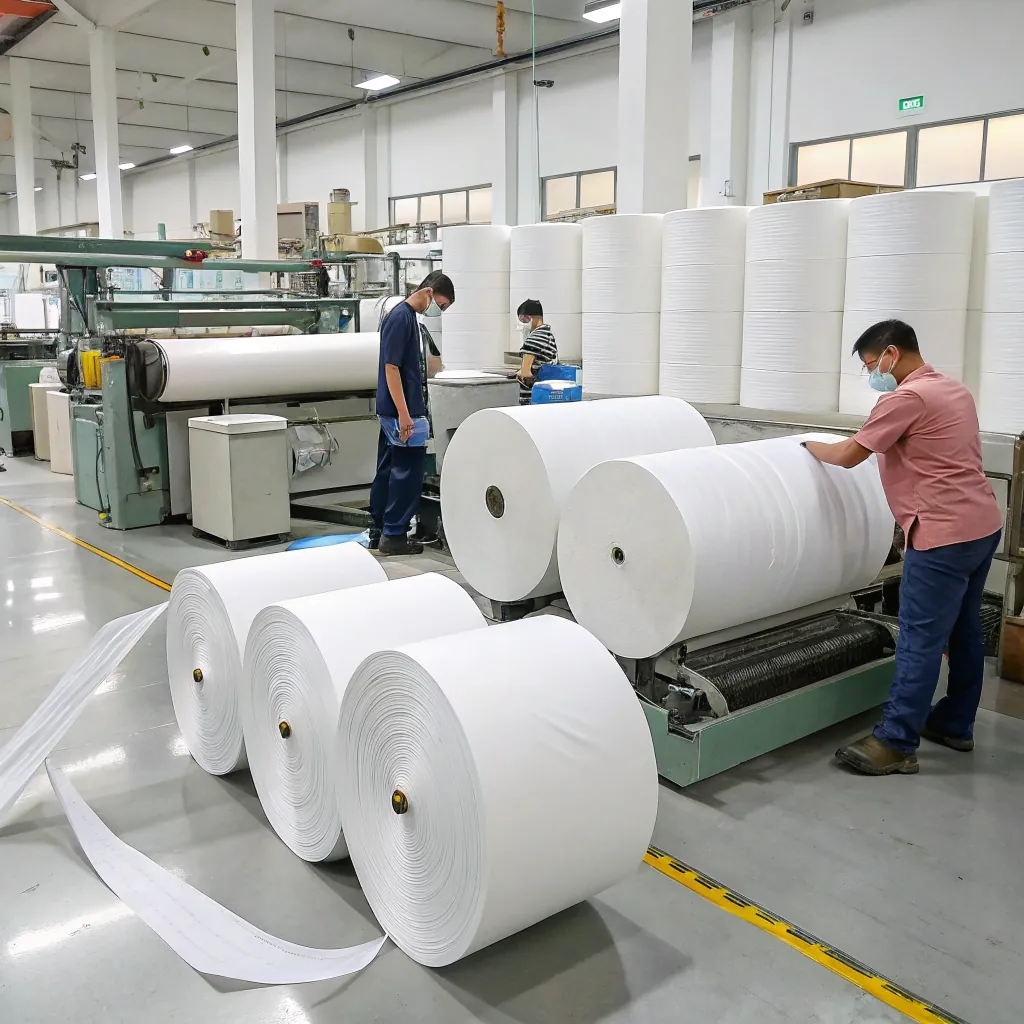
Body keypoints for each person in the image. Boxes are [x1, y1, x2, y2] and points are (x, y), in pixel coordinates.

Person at [804, 319, 1003, 776]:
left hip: (942, 537)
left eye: (872, 365)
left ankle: (895, 742)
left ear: (892, 354)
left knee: (920, 639)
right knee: (964, 631)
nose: (873, 374)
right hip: (981, 525)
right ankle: (955, 723)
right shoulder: (954, 390)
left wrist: (807, 447)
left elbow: (851, 455)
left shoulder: (907, 397)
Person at [368, 271, 454, 555]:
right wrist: (405, 415)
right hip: (401, 412)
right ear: (429, 292)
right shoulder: (401, 318)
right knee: (406, 473)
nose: (438, 311)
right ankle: (394, 535)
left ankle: (379, 530)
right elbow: (391, 369)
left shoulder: (407, 320)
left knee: (388, 469)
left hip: (395, 409)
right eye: (440, 305)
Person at [514, 299, 557, 405]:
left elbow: (525, 373)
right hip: (547, 394)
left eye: (523, 319)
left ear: (532, 317)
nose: (523, 323)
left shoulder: (535, 338)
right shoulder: (547, 334)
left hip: (532, 397)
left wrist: (518, 374)